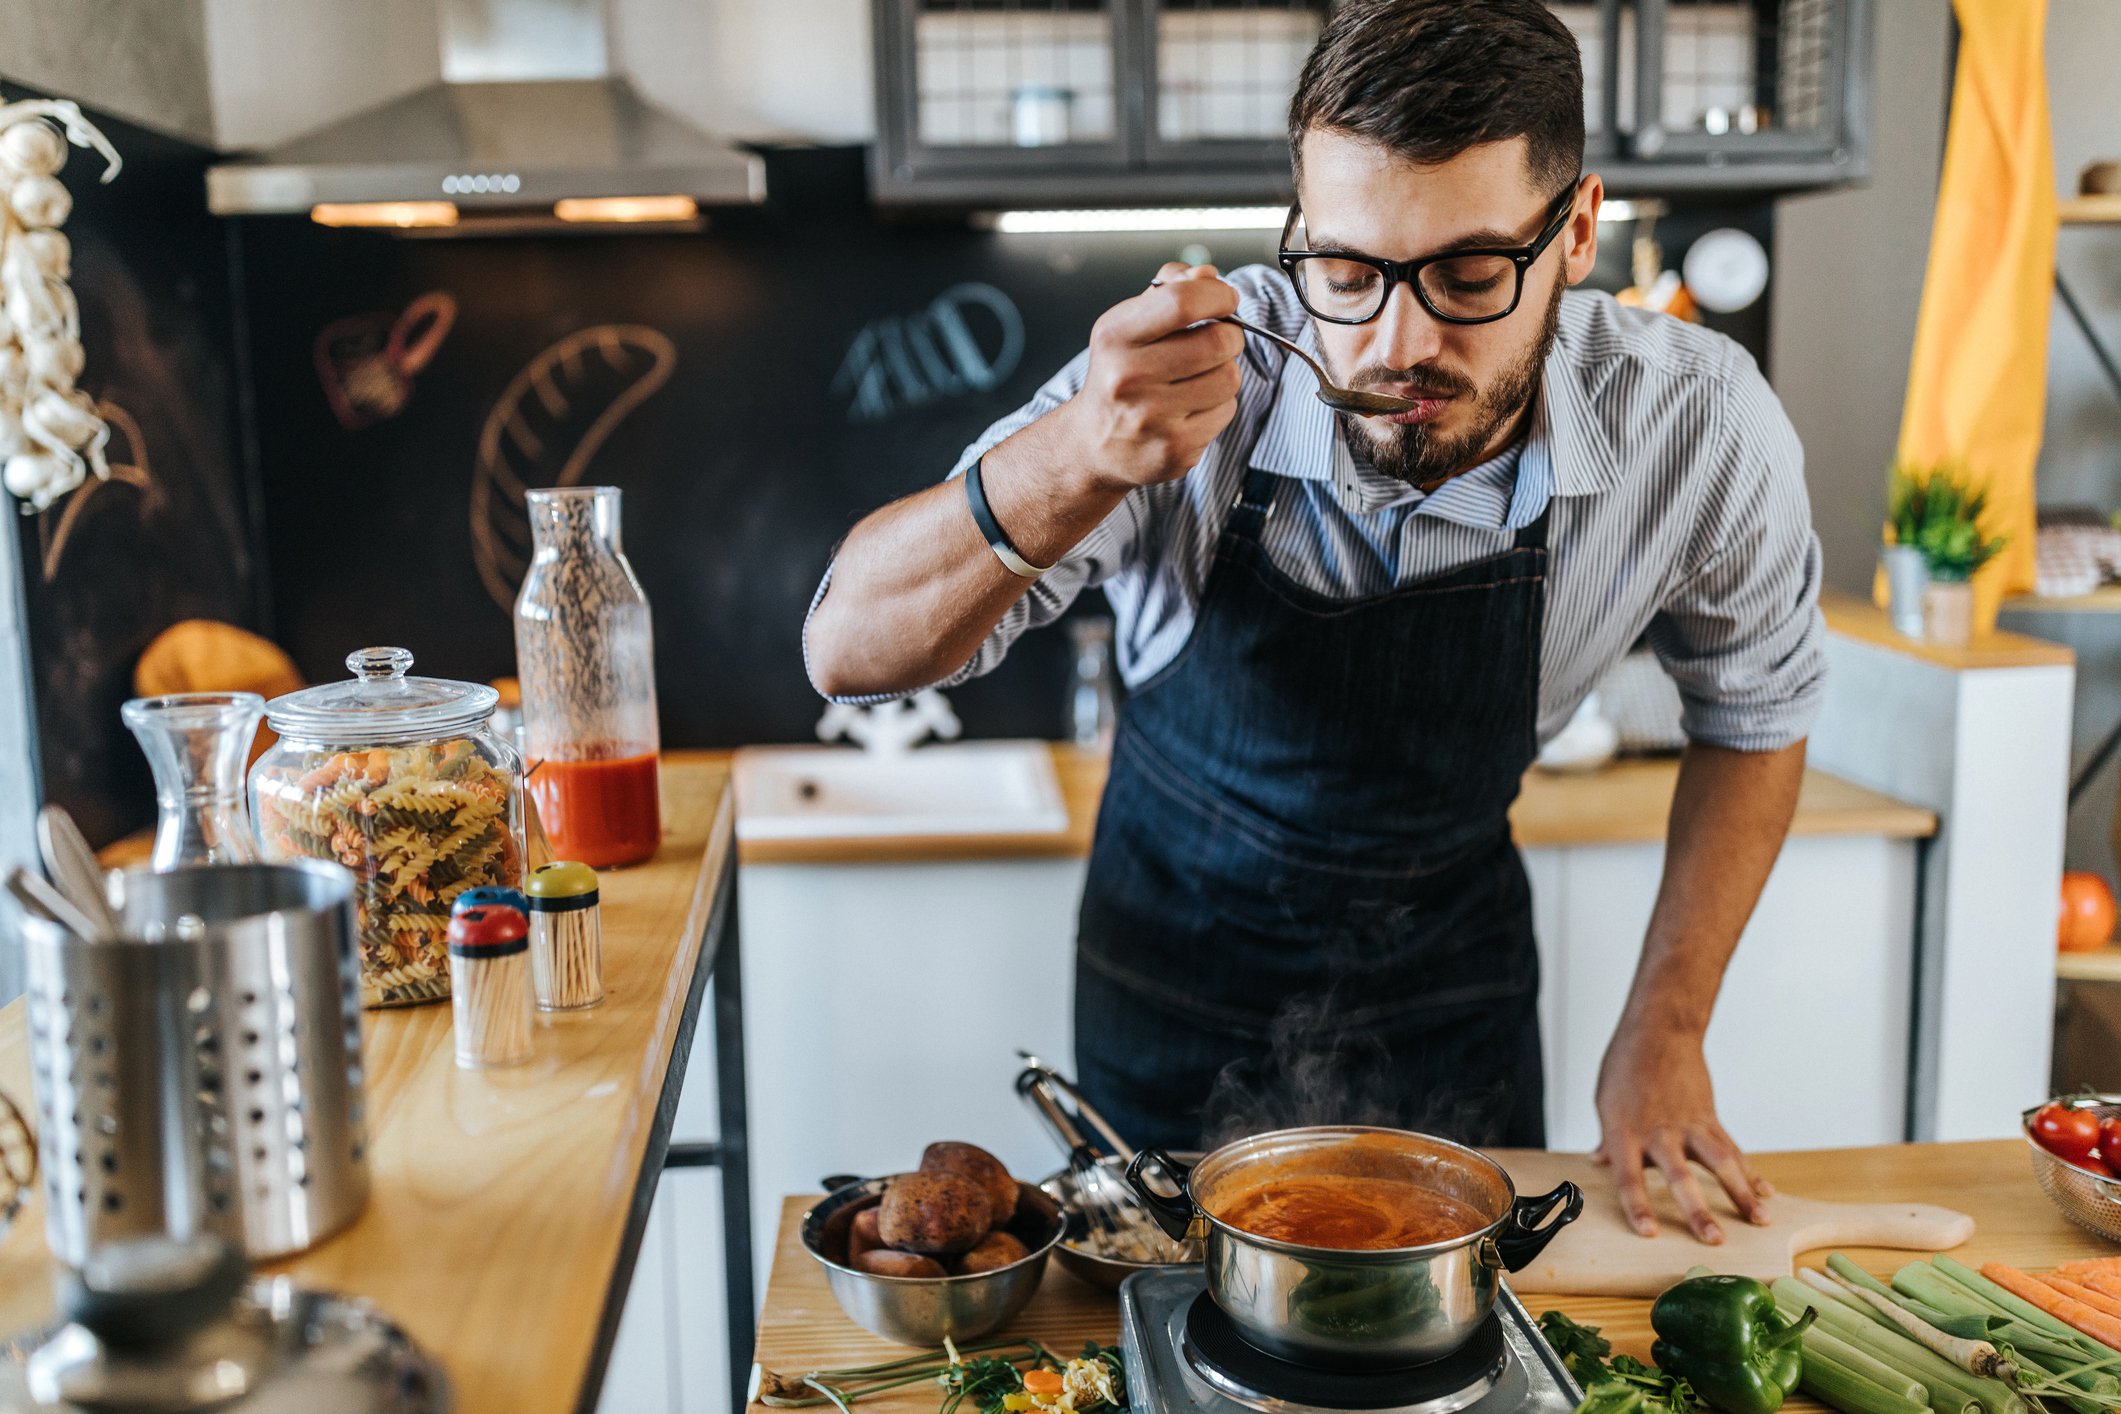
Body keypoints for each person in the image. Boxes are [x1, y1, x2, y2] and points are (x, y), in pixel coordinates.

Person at [804, 0, 1825, 1244]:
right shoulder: (1189, 378)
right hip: (1170, 992)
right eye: (1345, 271)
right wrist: (1074, 455)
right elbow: (847, 649)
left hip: (1454, 1003)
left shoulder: (1699, 427)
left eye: (1466, 274)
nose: (1396, 341)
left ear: (1578, 233)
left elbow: (1756, 712)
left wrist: (1666, 1026)